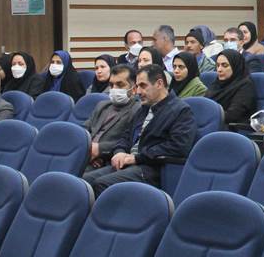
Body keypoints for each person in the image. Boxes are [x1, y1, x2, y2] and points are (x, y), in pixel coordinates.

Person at [83, 64, 196, 193]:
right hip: (129, 163)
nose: (138, 92)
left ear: (159, 84)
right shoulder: (144, 109)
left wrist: (137, 157)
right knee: (85, 180)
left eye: (143, 86)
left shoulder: (181, 111)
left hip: (153, 168)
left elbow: (178, 147)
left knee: (101, 184)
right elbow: (125, 137)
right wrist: (119, 152)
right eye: (137, 86)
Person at [86, 64, 138, 167]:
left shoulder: (137, 110)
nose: (114, 89)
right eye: (111, 85)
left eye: (120, 85)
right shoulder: (102, 105)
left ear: (133, 89)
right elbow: (84, 128)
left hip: (109, 161)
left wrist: (99, 149)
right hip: (84, 155)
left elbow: (128, 142)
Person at [205, 50, 257, 126]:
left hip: (233, 129)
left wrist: (206, 116)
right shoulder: (216, 84)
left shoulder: (245, 86)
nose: (219, 70)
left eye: (225, 65)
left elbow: (232, 115)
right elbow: (204, 106)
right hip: (211, 124)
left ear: (235, 66)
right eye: (218, 65)